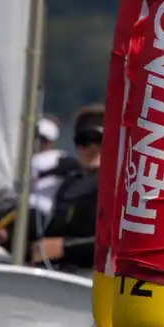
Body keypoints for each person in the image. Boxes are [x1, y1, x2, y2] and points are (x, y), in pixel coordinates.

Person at [27, 105, 105, 273]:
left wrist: (65, 247)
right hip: (59, 275)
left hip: (95, 280)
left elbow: (118, 242)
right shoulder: (69, 184)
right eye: (84, 140)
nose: (92, 148)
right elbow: (49, 232)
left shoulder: (120, 188)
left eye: (99, 140)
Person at [29, 113, 78, 235]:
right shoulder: (24, 157)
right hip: (17, 207)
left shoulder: (58, 157)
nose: (38, 142)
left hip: (40, 211)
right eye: (36, 137)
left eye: (43, 139)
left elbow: (73, 166)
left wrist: (41, 175)